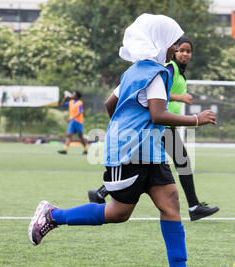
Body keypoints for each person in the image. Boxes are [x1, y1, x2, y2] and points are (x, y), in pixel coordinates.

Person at [29, 14, 217, 267]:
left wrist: (124, 127)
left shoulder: (135, 70)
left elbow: (110, 104)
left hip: (149, 152)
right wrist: (196, 119)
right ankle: (53, 216)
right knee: (118, 213)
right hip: (130, 154)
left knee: (170, 202)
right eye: (172, 44)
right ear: (158, 42)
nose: (175, 49)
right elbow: (157, 115)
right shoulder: (155, 73)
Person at [88, 36, 219, 221]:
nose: (183, 54)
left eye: (188, 51)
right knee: (181, 163)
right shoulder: (168, 69)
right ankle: (194, 206)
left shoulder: (178, 72)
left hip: (165, 125)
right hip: (161, 124)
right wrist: (183, 102)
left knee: (163, 167)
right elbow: (155, 95)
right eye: (180, 49)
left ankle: (100, 193)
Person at [58, 90, 88, 155]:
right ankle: (65, 150)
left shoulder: (80, 103)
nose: (72, 95)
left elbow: (80, 112)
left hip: (78, 122)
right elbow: (62, 104)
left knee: (80, 137)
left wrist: (72, 118)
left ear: (77, 96)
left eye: (73, 94)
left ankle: (86, 149)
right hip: (72, 121)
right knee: (69, 135)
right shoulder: (71, 102)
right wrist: (65, 98)